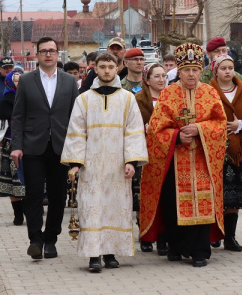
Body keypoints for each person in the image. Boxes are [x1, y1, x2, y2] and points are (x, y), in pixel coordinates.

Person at [139, 43, 227, 268]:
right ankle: (176, 247)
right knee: (173, 204)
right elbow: (157, 129)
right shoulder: (168, 94)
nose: (191, 74)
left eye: (195, 70)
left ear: (201, 71)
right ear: (178, 71)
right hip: (174, 160)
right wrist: (177, 136)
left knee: (204, 201)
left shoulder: (210, 92)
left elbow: (220, 123)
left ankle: (199, 250)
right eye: (186, 70)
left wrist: (200, 130)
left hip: (202, 159)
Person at [61, 52, 149, 272]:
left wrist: (132, 161)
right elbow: (76, 132)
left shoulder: (127, 98)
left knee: (115, 207)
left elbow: (134, 132)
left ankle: (110, 253)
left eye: (111, 66)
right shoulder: (83, 99)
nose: (107, 71)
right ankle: (93, 255)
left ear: (118, 68)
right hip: (91, 165)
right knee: (92, 208)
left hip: (118, 165)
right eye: (102, 67)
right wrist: (75, 162)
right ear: (95, 69)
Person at [11, 37, 79, 260]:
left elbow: (75, 117)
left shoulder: (70, 82)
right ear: (37, 55)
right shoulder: (27, 81)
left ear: (58, 54)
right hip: (33, 146)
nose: (48, 55)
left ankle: (51, 240)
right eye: (43, 51)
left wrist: (76, 148)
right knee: (33, 195)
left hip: (61, 147)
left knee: (58, 197)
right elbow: (18, 115)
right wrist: (16, 146)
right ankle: (35, 240)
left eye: (52, 51)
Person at [208, 54, 242, 252]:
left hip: (239, 150)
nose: (228, 71)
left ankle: (230, 237)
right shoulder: (208, 92)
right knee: (217, 193)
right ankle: (214, 234)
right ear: (215, 70)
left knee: (235, 195)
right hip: (215, 150)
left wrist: (241, 124)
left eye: (230, 67)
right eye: (223, 68)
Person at [134, 63, 168, 255]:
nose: (162, 79)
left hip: (166, 152)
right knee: (144, 196)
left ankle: (163, 237)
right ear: (147, 80)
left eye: (164, 75)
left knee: (164, 196)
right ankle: (145, 234)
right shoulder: (139, 100)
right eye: (157, 76)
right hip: (145, 154)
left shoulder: (172, 98)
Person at [0, 70, 26, 225]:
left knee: (31, 182)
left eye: (21, 80)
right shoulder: (6, 102)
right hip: (10, 147)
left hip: (29, 146)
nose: (18, 83)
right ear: (10, 82)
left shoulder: (30, 99)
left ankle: (31, 213)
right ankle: (18, 215)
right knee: (13, 184)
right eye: (16, 81)